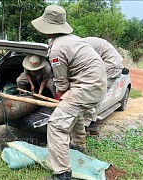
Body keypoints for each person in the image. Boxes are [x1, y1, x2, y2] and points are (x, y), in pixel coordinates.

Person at [31, 5, 107, 179]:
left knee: (56, 125)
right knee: (76, 114)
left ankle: (62, 173)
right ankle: (79, 146)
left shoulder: (57, 49)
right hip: (97, 87)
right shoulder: (73, 39)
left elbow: (61, 81)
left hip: (85, 87)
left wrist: (62, 96)